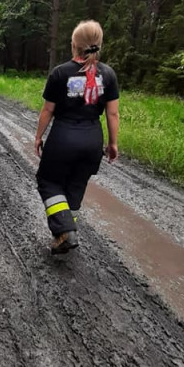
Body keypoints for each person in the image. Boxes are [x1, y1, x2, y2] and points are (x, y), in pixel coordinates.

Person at [34, 20, 119, 254]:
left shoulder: (60, 72)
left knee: (48, 180)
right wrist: (112, 143)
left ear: (74, 44)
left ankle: (65, 232)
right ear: (99, 44)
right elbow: (112, 113)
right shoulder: (108, 74)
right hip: (92, 139)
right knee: (77, 183)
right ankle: (67, 230)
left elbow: (47, 110)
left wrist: (38, 137)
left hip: (64, 136)